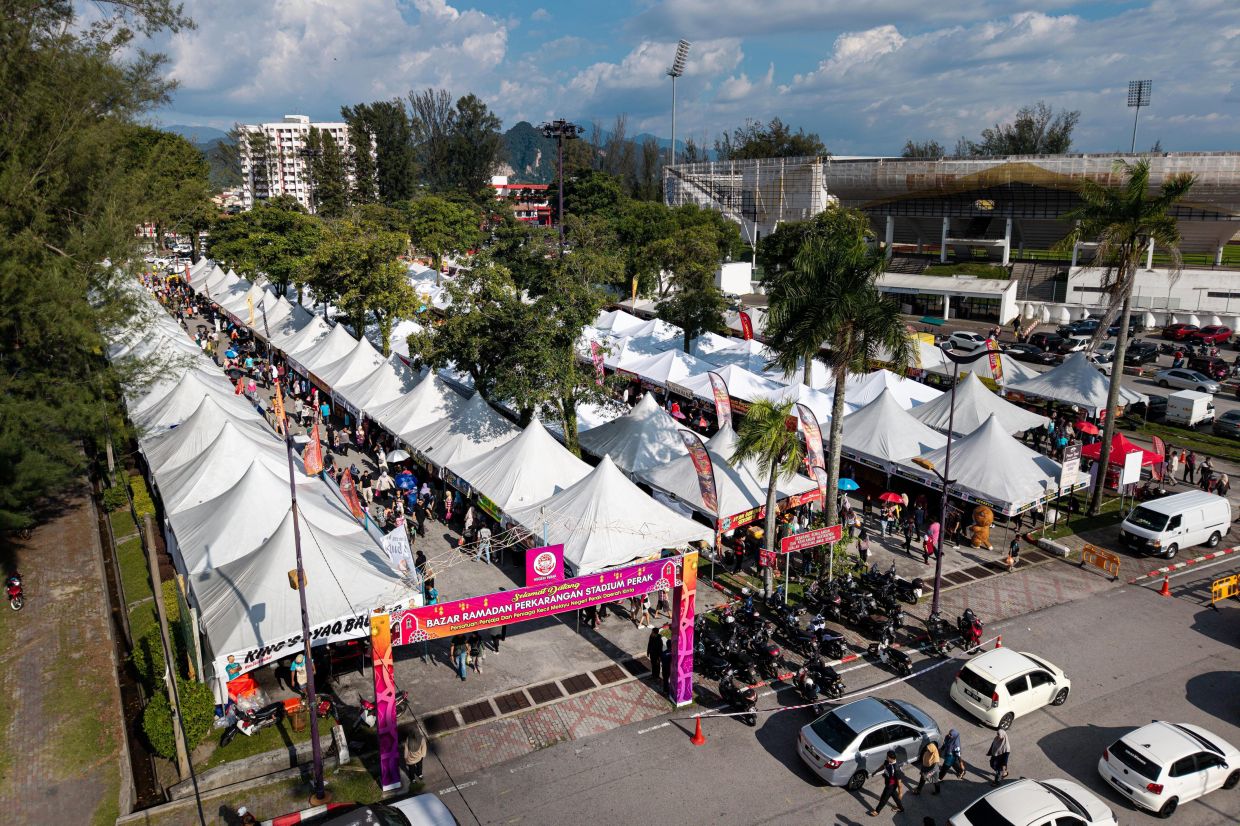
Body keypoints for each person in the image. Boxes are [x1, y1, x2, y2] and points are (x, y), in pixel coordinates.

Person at [868, 751, 905, 816]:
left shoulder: (896, 769)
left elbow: (899, 783)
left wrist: (900, 793)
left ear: (891, 758)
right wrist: (876, 771)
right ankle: (901, 808)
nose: (886, 758)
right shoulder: (888, 761)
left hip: (891, 785)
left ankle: (877, 811)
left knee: (884, 798)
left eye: (887, 757)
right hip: (888, 782)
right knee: (894, 795)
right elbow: (883, 766)